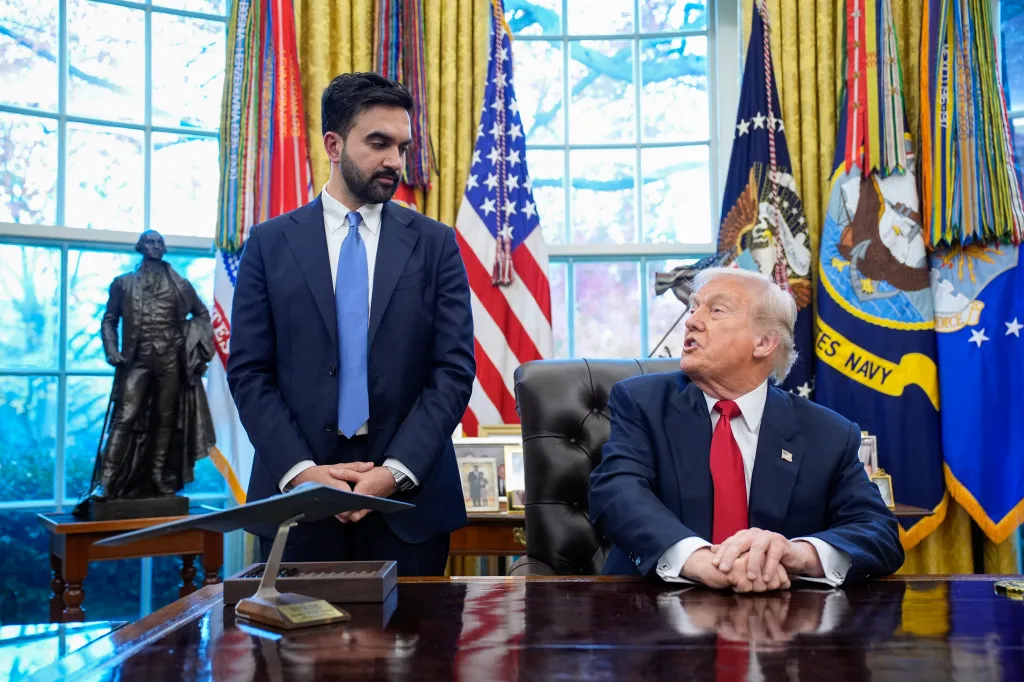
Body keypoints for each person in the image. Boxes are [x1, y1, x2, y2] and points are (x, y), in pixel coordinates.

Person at [228, 73, 475, 576]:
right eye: (378, 143)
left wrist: (395, 473)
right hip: (298, 504)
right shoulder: (269, 244)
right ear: (334, 145)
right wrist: (302, 473)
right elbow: (250, 372)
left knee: (416, 632)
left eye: (402, 147)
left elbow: (452, 371)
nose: (395, 162)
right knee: (295, 632)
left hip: (409, 503)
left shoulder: (436, 245)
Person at [589, 267, 903, 591]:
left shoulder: (828, 434)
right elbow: (617, 492)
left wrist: (797, 555)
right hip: (651, 605)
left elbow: (878, 532)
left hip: (780, 612)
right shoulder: (642, 402)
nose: (692, 321)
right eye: (694, 307)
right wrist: (699, 561)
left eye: (716, 310)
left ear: (764, 342)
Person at [86, 230, 214, 503]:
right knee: (125, 416)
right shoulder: (123, 283)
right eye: (149, 242)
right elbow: (109, 320)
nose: (155, 246)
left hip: (170, 360)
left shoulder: (181, 285)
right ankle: (105, 482)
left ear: (164, 248)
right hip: (137, 360)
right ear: (140, 247)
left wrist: (189, 338)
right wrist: (112, 351)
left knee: (165, 418)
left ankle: (158, 476)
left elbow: (202, 315)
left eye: (159, 242)